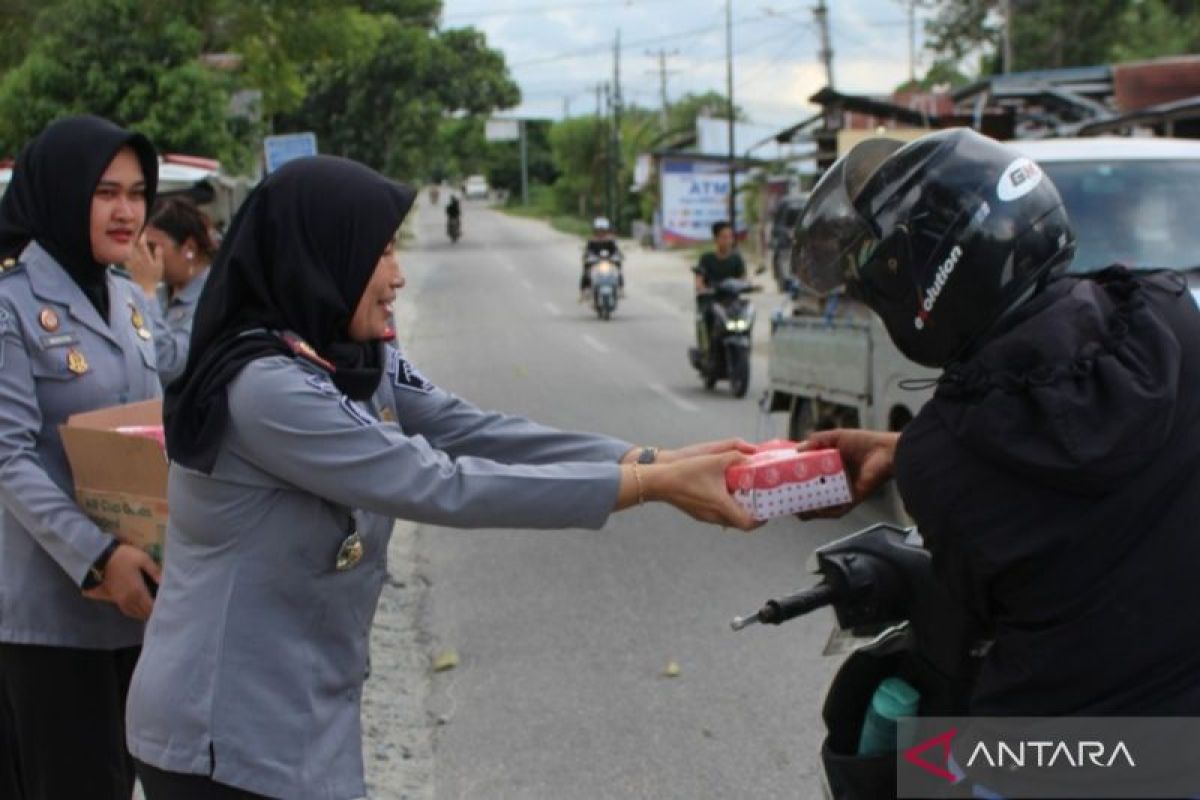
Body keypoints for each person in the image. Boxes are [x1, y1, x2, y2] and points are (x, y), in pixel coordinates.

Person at [125, 155, 756, 800]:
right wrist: (650, 489)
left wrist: (649, 459)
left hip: (304, 710)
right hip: (222, 732)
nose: (398, 277)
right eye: (382, 253)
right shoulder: (267, 387)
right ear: (322, 255)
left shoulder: (358, 358)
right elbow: (439, 481)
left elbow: (465, 427)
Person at [791, 128, 1200, 715]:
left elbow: (971, 607)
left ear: (919, 293)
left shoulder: (940, 461)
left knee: (889, 757)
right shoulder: (1169, 313)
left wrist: (912, 453)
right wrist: (905, 448)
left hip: (1070, 753)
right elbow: (1080, 432)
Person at [0, 115, 163, 799]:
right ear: (65, 193)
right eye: (104, 192)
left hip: (139, 599)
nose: (126, 211)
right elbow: (7, 459)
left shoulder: (127, 297)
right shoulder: (9, 304)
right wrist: (98, 556)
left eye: (136, 192)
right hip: (51, 611)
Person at [126, 196, 216, 386]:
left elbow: (169, 365)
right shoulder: (162, 291)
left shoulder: (213, 295)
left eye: (151, 247)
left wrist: (146, 292)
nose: (142, 257)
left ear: (189, 248)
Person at [692, 220, 747, 356]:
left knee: (746, 314)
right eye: (724, 237)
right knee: (708, 319)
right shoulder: (706, 259)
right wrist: (703, 288)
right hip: (711, 301)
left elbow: (743, 279)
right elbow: (699, 281)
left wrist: (748, 286)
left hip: (731, 301)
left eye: (730, 237)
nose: (728, 241)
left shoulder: (736, 259)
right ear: (716, 239)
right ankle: (707, 350)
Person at [579, 215, 624, 300]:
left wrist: (618, 255)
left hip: (608, 261)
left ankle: (620, 288)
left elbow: (615, 250)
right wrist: (586, 255)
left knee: (618, 269)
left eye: (603, 230)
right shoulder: (592, 240)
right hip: (595, 261)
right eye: (599, 230)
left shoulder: (610, 240)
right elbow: (588, 251)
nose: (601, 233)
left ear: (607, 230)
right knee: (586, 271)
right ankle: (584, 291)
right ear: (595, 231)